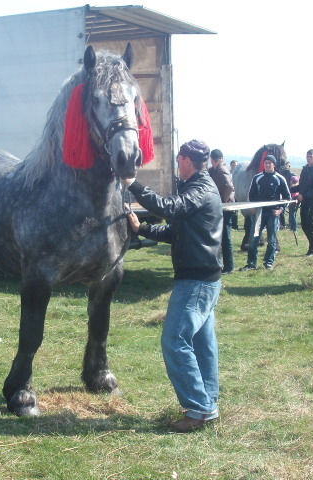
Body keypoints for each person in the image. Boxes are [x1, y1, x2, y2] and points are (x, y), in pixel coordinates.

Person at [123, 139, 222, 432]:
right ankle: (208, 403)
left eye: (179, 159)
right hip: (205, 279)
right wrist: (143, 229)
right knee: (203, 345)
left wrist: (133, 184)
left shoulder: (200, 189)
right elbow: (178, 230)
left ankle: (199, 409)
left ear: (187, 160)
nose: (177, 163)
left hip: (196, 282)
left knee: (175, 341)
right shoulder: (201, 187)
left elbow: (169, 209)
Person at [239, 155, 290, 271]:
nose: (267, 165)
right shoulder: (257, 178)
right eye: (266, 162)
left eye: (270, 163)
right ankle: (251, 264)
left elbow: (287, 197)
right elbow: (251, 195)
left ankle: (269, 263)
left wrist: (280, 210)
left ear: (274, 165)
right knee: (253, 239)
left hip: (273, 213)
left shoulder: (280, 179)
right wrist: (252, 206)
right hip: (259, 214)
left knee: (272, 240)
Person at [208, 149, 235, 274]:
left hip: (225, 208)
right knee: (220, 237)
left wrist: (222, 201)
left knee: (226, 238)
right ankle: (220, 264)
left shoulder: (222, 170)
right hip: (220, 207)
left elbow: (229, 186)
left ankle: (229, 267)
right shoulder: (214, 170)